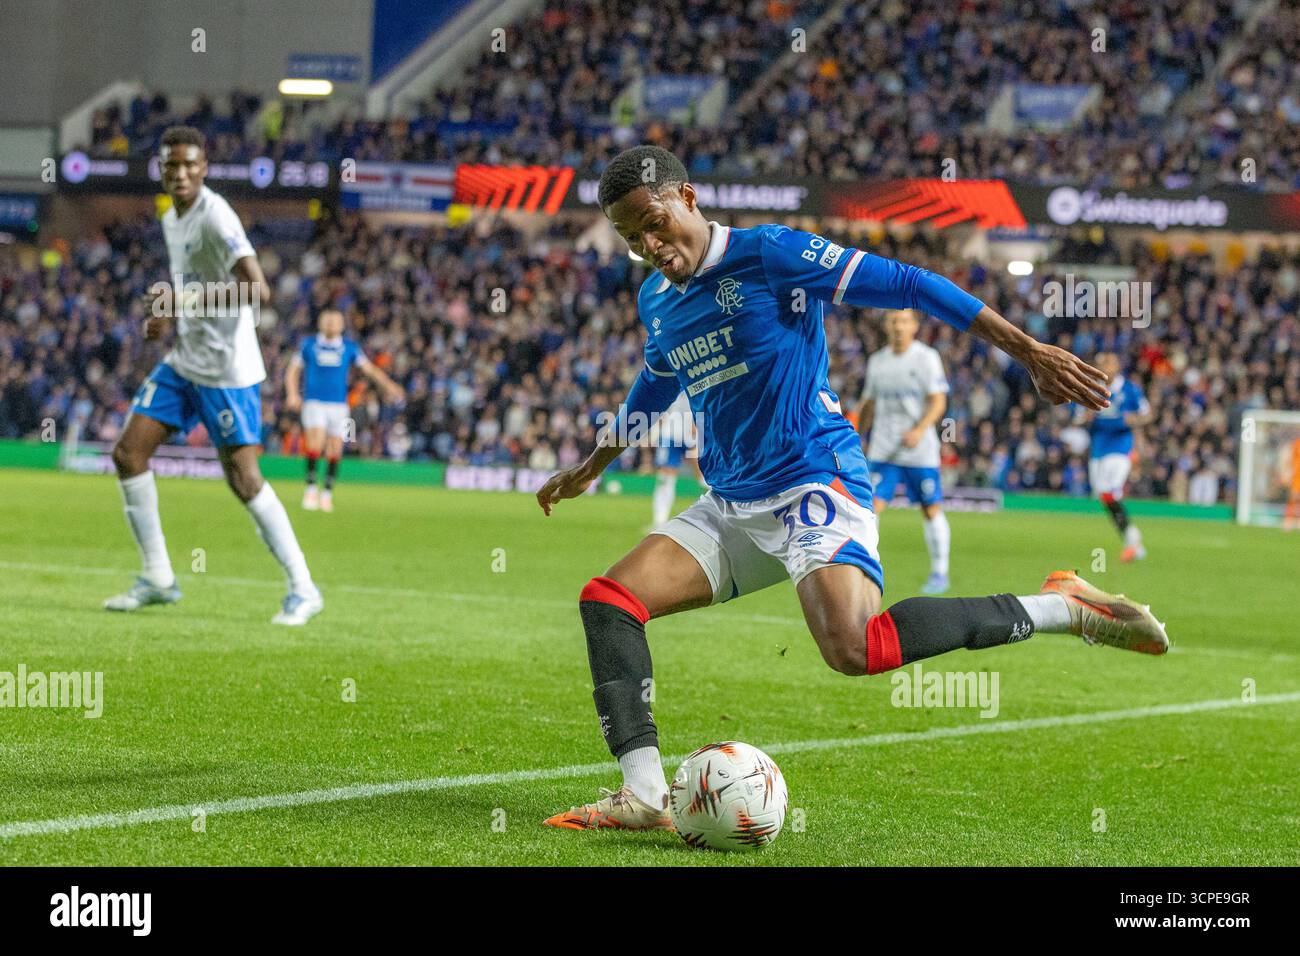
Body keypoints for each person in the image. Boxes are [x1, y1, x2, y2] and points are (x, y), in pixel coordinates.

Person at [534, 146, 1168, 831]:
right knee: (609, 601)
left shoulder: (772, 254)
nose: (650, 246)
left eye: (655, 224)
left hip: (814, 480)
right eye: (633, 239)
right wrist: (592, 466)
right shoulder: (656, 297)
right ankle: (647, 795)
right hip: (732, 503)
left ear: (687, 197)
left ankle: (1063, 607)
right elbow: (656, 383)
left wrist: (1029, 350)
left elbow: (910, 284)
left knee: (857, 648)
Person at [103, 126, 323, 625]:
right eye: (171, 165)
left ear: (203, 169)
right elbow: (194, 291)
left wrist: (180, 302)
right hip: (186, 360)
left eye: (189, 165)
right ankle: (158, 577)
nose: (180, 173)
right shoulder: (171, 218)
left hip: (226, 369)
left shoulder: (215, 216)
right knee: (128, 454)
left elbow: (257, 289)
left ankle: (304, 588)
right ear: (161, 170)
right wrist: (168, 320)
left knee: (244, 480)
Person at [857, 309, 952, 593]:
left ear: (914, 326)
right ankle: (867, 568)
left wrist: (920, 429)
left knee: (930, 508)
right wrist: (857, 437)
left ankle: (940, 572)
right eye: (893, 321)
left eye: (904, 321)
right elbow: (868, 404)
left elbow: (938, 402)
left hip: (919, 450)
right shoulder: (877, 362)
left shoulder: (926, 358)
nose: (898, 326)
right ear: (887, 326)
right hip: (883, 450)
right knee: (870, 509)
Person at [284, 308, 404, 512]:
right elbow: (292, 371)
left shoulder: (350, 347)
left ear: (342, 325)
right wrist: (292, 394)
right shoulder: (309, 345)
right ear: (320, 323)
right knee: (315, 442)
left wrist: (389, 386)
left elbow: (370, 370)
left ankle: (327, 492)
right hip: (314, 402)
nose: (331, 323)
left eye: (335, 320)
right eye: (327, 319)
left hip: (339, 405)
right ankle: (311, 489)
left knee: (335, 448)